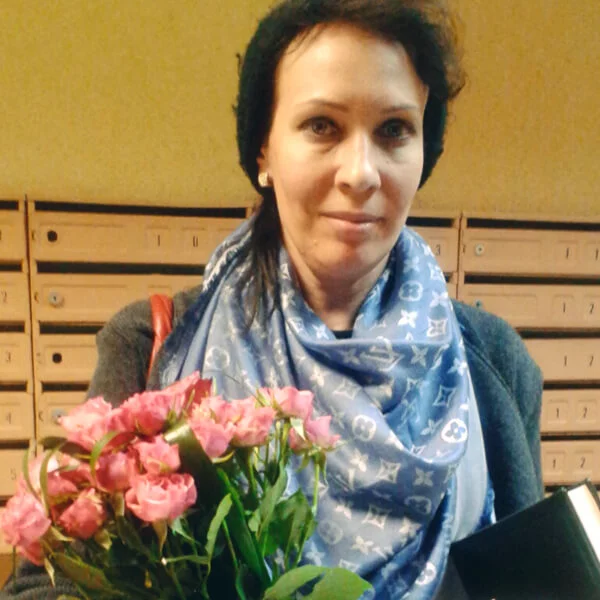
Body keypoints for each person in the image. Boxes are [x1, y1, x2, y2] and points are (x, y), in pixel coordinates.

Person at [1, 0, 543, 598]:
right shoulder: (151, 345)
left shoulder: (493, 363)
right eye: (323, 126)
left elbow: (535, 577)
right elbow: (40, 588)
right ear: (264, 150)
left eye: (394, 130)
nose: (361, 173)